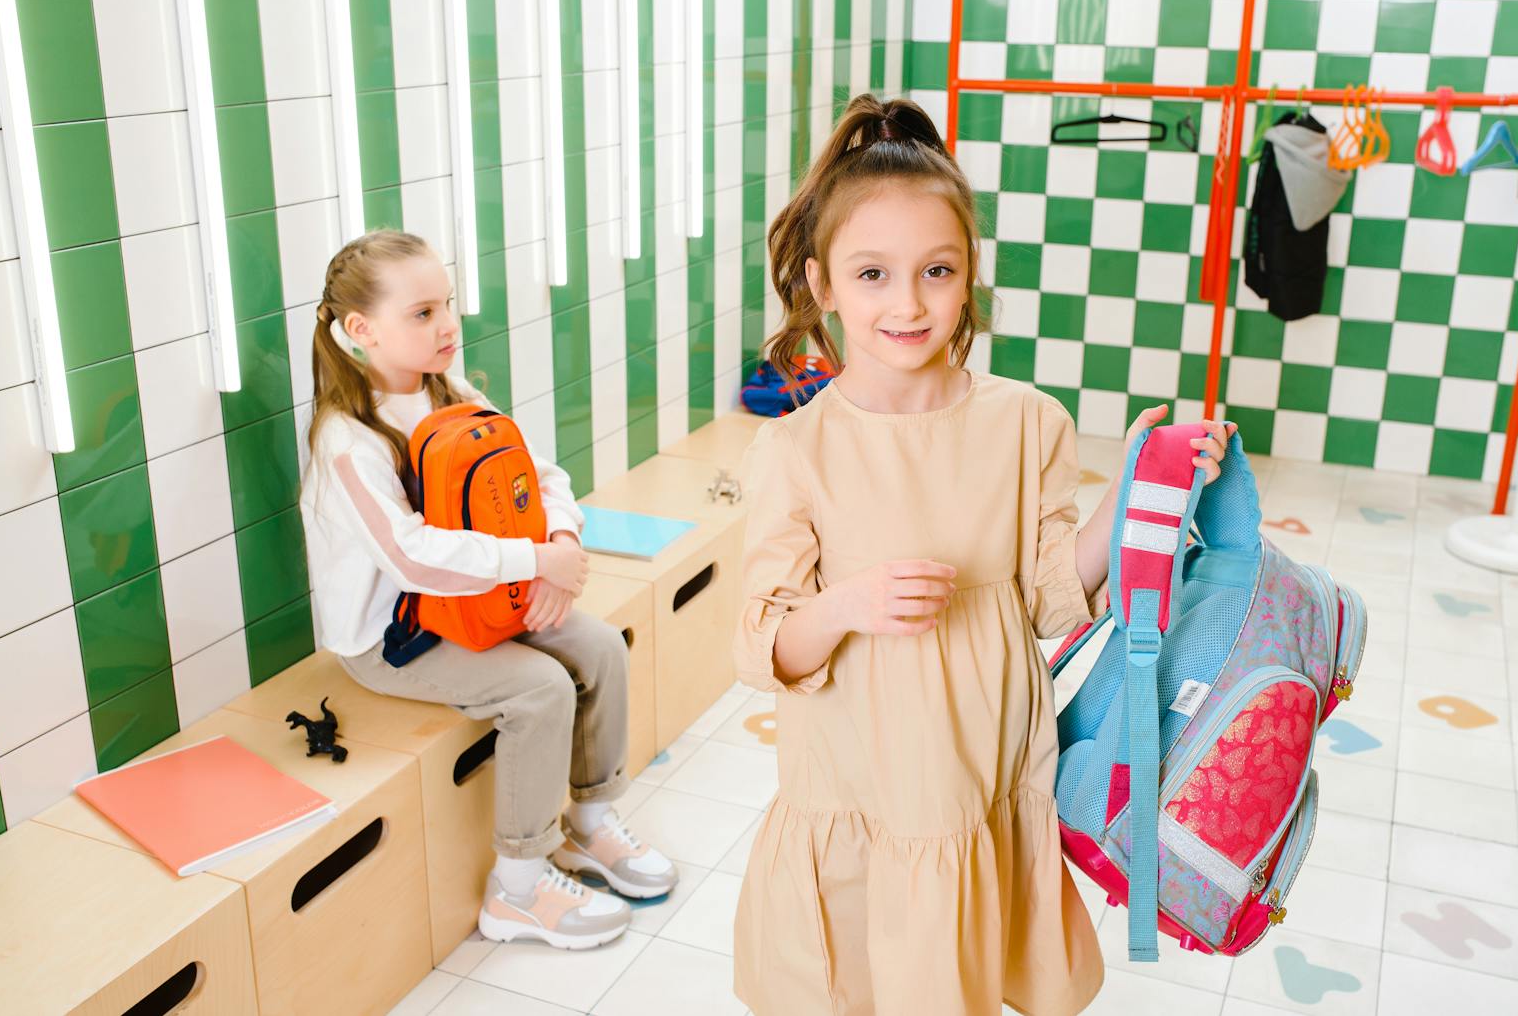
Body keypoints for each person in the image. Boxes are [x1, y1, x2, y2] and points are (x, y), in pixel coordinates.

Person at [731, 95, 1234, 1014]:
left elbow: (1054, 596)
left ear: (968, 278)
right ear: (822, 283)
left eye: (937, 270)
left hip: (985, 774)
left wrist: (1138, 493)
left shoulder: (1027, 422)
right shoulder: (794, 451)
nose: (909, 302)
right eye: (873, 273)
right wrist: (846, 605)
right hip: (864, 784)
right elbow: (767, 650)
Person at [299, 230, 678, 951]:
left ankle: (590, 826)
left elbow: (541, 479)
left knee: (597, 647)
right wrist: (529, 561)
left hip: (476, 601)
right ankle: (517, 886)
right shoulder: (347, 440)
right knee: (541, 688)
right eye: (422, 313)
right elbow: (411, 559)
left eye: (447, 305)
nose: (446, 326)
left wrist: (560, 545)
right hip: (393, 639)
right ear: (360, 329)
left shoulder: (455, 393)